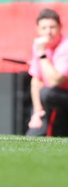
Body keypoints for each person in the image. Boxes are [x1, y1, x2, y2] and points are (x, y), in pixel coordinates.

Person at [26, 8, 68, 137]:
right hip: (51, 100)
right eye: (44, 28)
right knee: (32, 137)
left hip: (61, 96)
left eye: (52, 27)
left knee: (48, 93)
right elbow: (36, 81)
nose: (48, 32)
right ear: (37, 29)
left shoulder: (65, 46)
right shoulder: (39, 46)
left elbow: (55, 81)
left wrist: (42, 55)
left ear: (60, 27)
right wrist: (37, 112)